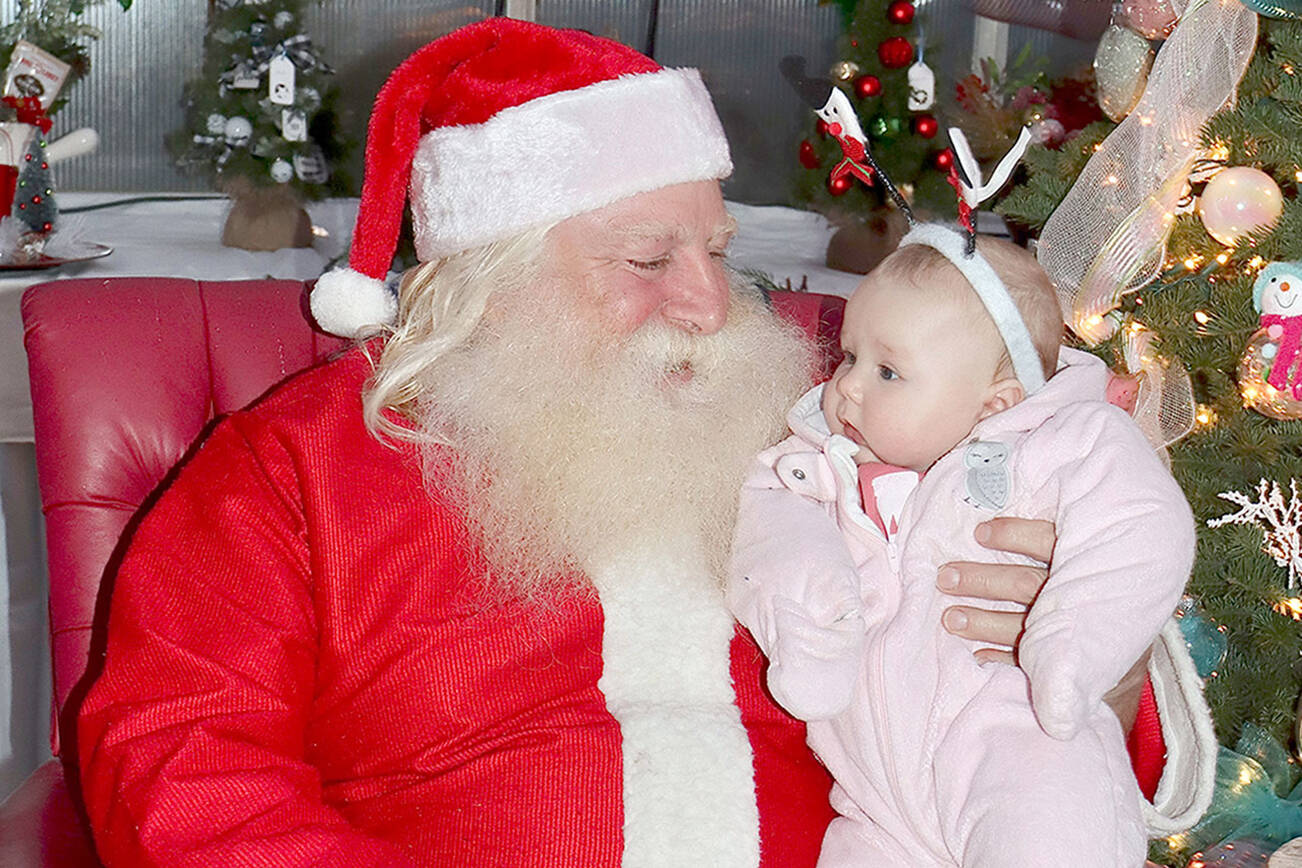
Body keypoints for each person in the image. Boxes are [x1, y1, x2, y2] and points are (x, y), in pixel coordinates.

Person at [76, 18, 1211, 868]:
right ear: (494, 277)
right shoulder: (291, 471)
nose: (714, 307)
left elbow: (1093, 744)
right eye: (648, 260)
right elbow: (180, 761)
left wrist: (1094, 678)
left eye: (720, 251)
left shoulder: (848, 426)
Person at [728, 227, 1198, 865]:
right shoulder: (813, 468)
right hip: (877, 808)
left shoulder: (1065, 446)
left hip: (1025, 747)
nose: (849, 388)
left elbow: (1141, 530)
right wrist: (810, 629)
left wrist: (1072, 646)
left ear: (993, 404)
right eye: (847, 357)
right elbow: (767, 540)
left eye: (888, 370)